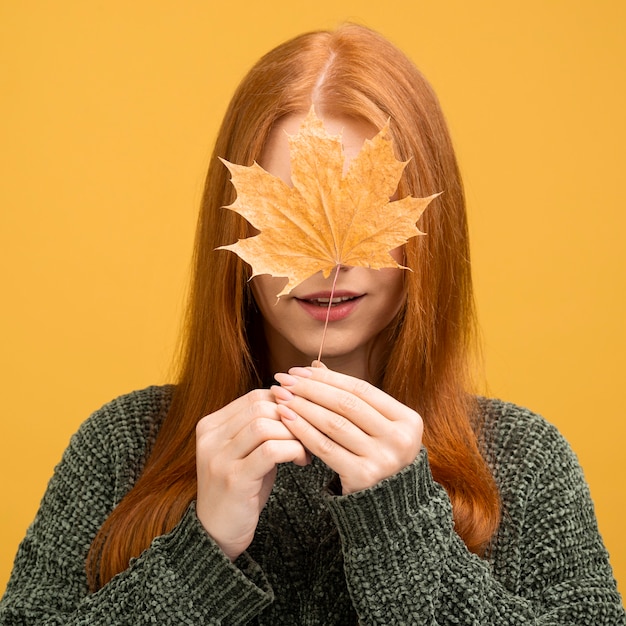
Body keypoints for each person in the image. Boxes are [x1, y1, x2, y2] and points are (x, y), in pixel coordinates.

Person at [1, 23, 623, 625]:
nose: (334, 258)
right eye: (289, 214)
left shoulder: (524, 462)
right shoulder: (121, 447)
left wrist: (399, 526)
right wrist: (201, 554)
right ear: (236, 224)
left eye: (369, 211)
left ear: (426, 228)